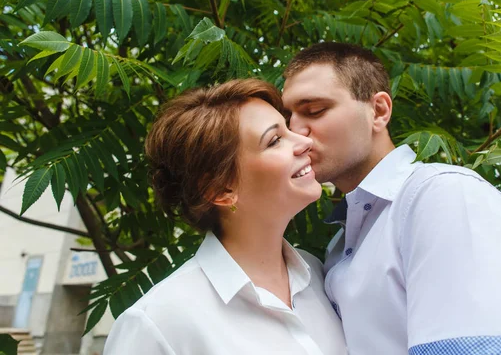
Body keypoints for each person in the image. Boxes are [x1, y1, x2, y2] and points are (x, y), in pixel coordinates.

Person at [282, 42, 501, 355]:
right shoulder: (346, 238)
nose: (295, 132)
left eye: (314, 110)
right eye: (288, 118)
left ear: (378, 111)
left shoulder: (445, 199)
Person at [104, 79, 346, 355]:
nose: (304, 141)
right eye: (275, 140)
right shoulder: (158, 323)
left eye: (288, 129)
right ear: (220, 190)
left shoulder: (318, 275)